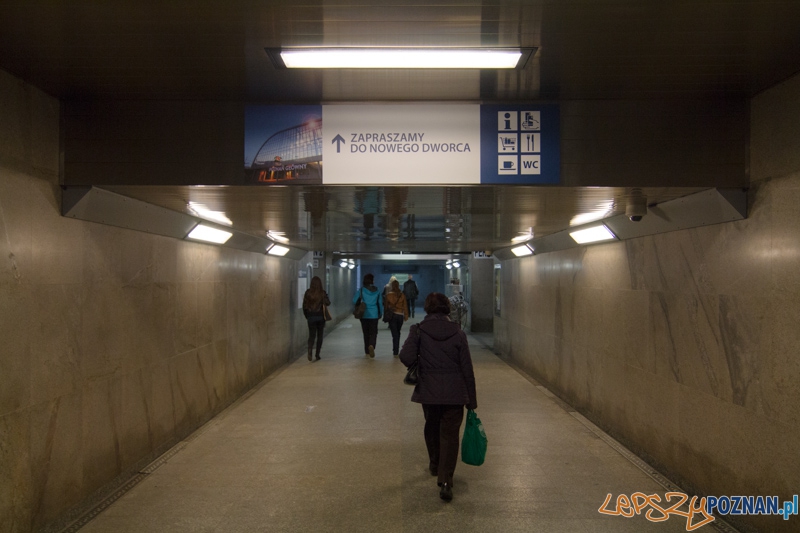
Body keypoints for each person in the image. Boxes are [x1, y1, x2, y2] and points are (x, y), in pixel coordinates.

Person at [399, 293, 477, 503]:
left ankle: (435, 464)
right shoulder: (458, 332)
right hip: (454, 392)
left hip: (429, 391)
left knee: (432, 426)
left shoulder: (419, 330)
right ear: (447, 309)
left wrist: (420, 361)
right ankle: (446, 481)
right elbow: (467, 368)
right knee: (450, 435)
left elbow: (405, 356)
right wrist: (472, 400)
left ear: (427, 309)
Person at [353, 273, 383, 358]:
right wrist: (380, 313)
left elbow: (354, 300)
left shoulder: (361, 290)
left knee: (366, 333)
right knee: (373, 332)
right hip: (374, 314)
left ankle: (366, 350)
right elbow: (380, 303)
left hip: (364, 314)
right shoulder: (377, 291)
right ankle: (372, 345)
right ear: (372, 281)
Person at [302, 276, 330, 361]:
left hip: (311, 317)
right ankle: (317, 354)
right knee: (320, 336)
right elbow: (328, 303)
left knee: (311, 335)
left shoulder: (308, 293)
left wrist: (307, 316)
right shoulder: (322, 293)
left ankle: (310, 351)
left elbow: (304, 306)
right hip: (320, 317)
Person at [384, 279, 409, 356]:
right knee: (398, 332)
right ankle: (396, 349)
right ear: (398, 286)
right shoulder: (402, 295)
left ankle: (395, 350)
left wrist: (385, 315)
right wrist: (406, 315)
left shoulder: (388, 295)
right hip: (400, 315)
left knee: (394, 334)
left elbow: (385, 307)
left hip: (392, 316)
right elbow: (405, 306)